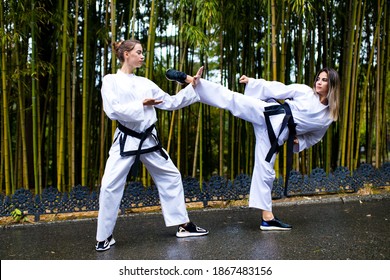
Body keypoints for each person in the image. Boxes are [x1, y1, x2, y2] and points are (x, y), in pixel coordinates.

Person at [165, 66, 340, 231]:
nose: (318, 82)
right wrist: (253, 82)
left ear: (332, 85)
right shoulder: (305, 91)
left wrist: (299, 142)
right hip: (270, 114)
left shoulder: (328, 117)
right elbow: (277, 88)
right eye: (318, 78)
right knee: (234, 100)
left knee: (266, 172)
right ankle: (193, 81)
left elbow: (315, 137)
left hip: (276, 136)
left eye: (324, 80)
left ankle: (267, 218)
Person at [96, 39, 208, 252]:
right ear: (126, 54)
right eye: (138, 52)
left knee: (171, 176)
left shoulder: (145, 83)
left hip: (148, 139)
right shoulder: (110, 80)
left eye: (142, 52)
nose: (142, 56)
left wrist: (193, 86)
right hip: (126, 139)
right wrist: (141, 104)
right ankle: (104, 236)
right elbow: (113, 110)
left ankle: (183, 225)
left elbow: (171, 102)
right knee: (109, 185)